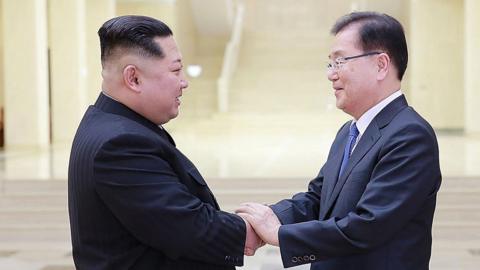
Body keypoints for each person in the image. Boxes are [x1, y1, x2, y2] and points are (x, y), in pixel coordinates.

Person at [237, 11, 441, 270]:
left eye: (340, 61)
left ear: (381, 65)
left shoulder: (410, 135)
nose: (331, 74)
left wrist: (279, 234)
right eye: (330, 63)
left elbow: (368, 225)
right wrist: (265, 218)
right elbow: (318, 199)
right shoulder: (349, 131)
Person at [68, 15, 262, 270]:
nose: (184, 82)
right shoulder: (120, 144)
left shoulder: (111, 124)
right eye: (175, 70)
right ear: (134, 78)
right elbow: (191, 229)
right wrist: (257, 228)